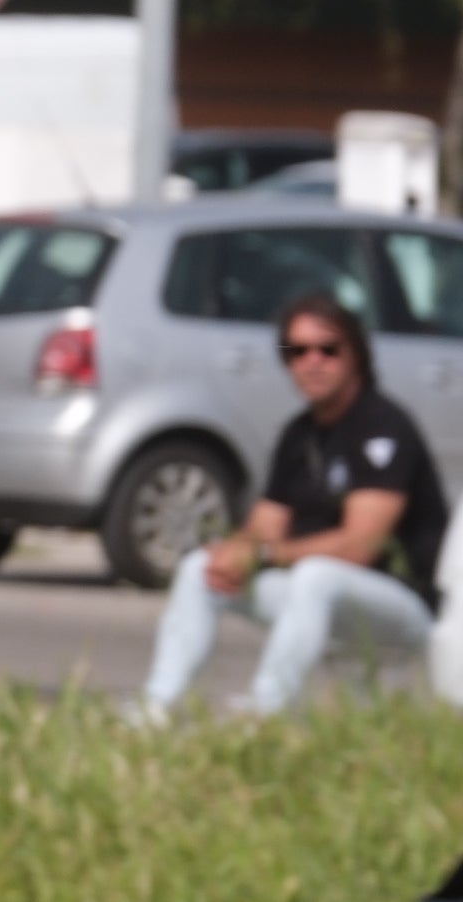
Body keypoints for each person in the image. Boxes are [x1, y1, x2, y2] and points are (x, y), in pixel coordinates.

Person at [139, 292, 451, 719]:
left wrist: (264, 555)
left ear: (355, 352)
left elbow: (362, 544)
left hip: (401, 608)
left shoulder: (383, 425)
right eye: (296, 350)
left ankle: (267, 713)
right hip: (320, 597)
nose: (312, 361)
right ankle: (157, 707)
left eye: (328, 348)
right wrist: (239, 550)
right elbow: (265, 525)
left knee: (316, 576)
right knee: (201, 569)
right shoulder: (298, 434)